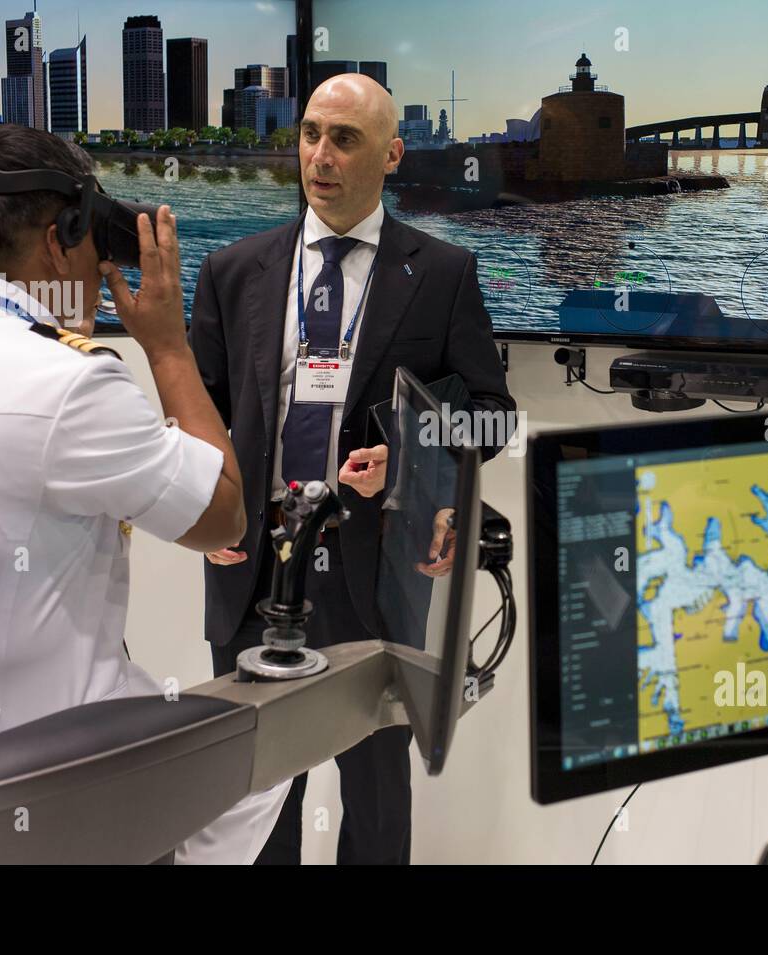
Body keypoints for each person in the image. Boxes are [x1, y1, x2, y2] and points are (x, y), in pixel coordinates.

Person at [0, 122, 289, 864]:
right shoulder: (70, 384)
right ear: (60, 235)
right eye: (94, 234)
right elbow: (222, 514)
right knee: (269, 751)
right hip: (23, 766)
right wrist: (168, 345)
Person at [189, 73, 515, 864]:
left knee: (373, 806)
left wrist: (407, 459)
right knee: (256, 802)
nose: (320, 155)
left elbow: (491, 413)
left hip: (374, 576)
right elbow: (195, 417)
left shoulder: (441, 274)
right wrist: (194, 512)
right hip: (255, 568)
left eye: (346, 139)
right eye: (310, 134)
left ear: (392, 154)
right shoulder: (234, 272)